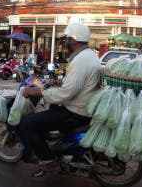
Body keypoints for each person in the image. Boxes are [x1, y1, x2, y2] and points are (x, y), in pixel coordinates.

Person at [20, 23, 101, 177]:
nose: (65, 44)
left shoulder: (81, 60)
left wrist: (39, 92)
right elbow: (77, 84)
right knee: (52, 109)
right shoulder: (88, 56)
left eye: (66, 40)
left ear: (73, 39)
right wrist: (60, 82)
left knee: (27, 123)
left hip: (76, 111)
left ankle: (48, 161)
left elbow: (67, 93)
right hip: (81, 106)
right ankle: (58, 145)